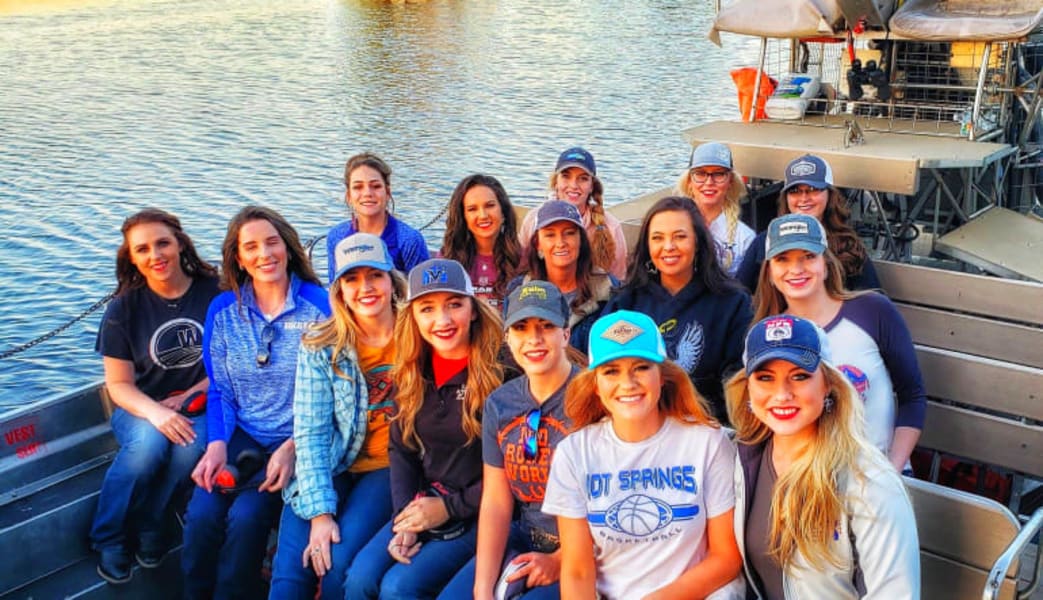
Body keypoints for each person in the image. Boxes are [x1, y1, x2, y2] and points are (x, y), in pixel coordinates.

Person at [543, 310, 743, 599]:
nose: (628, 383)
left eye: (641, 367)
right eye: (611, 371)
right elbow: (577, 570)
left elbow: (726, 558)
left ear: (662, 375)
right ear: (595, 384)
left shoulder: (706, 442)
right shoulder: (574, 453)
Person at [182, 206, 330, 600]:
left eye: (272, 242)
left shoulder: (321, 306)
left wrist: (294, 448)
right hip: (241, 435)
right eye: (251, 247)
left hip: (299, 439)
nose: (264, 254)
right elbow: (220, 390)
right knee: (200, 516)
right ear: (238, 258)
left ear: (287, 247)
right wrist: (216, 444)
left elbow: (336, 393)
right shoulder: (223, 311)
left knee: (247, 520)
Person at [725, 315, 920, 598]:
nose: (782, 395)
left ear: (828, 384)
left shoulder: (869, 479)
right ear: (747, 388)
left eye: (800, 376)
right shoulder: (740, 457)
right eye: (765, 378)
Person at [345, 258, 504, 599]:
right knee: (358, 580)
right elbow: (401, 450)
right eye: (427, 309)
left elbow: (512, 476)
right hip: (426, 499)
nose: (442, 321)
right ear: (413, 317)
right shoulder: (412, 370)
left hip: (480, 511)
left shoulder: (501, 375)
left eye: (454, 305)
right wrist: (407, 518)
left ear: (474, 310)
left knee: (398, 588)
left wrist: (448, 509)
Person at [269, 234, 405, 599]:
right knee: (289, 575)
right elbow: (311, 432)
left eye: (374, 275)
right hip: (334, 458)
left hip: (387, 465)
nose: (365, 288)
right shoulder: (320, 345)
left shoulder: (418, 331)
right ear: (339, 290)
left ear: (391, 279)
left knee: (333, 562)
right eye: (352, 279)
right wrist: (319, 514)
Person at [90, 209, 220, 584]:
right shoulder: (123, 308)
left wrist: (186, 399)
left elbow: (231, 362)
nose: (155, 255)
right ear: (131, 257)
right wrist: (158, 414)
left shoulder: (215, 292)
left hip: (203, 403)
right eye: (142, 249)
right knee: (148, 446)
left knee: (190, 449)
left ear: (180, 243)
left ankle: (152, 525)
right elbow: (118, 386)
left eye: (162, 243)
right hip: (140, 408)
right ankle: (109, 536)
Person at [751, 214, 925, 471]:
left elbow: (913, 395)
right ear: (770, 271)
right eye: (782, 259)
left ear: (826, 263)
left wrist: (893, 469)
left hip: (879, 472)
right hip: (811, 481)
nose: (796, 269)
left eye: (808, 257)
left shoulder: (872, 310)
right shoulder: (768, 333)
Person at [440, 281, 578, 600]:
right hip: (526, 535)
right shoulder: (501, 404)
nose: (534, 339)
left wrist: (560, 559)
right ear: (507, 338)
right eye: (521, 327)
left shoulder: (592, 398)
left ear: (566, 334)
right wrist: (482, 588)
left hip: (583, 549)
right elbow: (497, 502)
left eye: (546, 326)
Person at [599, 196, 752, 422]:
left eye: (679, 237)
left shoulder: (732, 303)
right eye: (658, 238)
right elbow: (604, 370)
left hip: (704, 426)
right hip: (636, 423)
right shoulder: (625, 303)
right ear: (647, 245)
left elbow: (736, 382)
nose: (668, 247)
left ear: (698, 242)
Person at [735, 153, 880, 293]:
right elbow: (739, 295)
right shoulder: (764, 242)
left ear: (830, 195)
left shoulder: (848, 245)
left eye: (812, 189)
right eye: (795, 191)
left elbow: (874, 304)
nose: (803, 198)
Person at [509, 200, 615, 352]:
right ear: (538, 243)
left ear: (581, 239)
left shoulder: (609, 290)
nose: (560, 243)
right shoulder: (518, 289)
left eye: (569, 233)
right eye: (550, 235)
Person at [518, 147, 627, 280]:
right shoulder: (533, 219)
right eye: (566, 176)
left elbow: (619, 278)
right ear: (555, 182)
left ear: (592, 186)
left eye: (583, 178)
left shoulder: (611, 227)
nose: (574, 185)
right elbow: (522, 268)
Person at [326, 152, 429, 282]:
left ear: (387, 192)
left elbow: (422, 294)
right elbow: (334, 289)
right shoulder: (336, 237)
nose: (367, 193)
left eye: (376, 186)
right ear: (348, 196)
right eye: (358, 187)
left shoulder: (409, 240)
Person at [438, 174, 522, 309]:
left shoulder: (522, 258)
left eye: (490, 206)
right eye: (472, 209)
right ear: (463, 216)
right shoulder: (447, 258)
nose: (483, 215)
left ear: (503, 211)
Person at [676, 142, 756, 277]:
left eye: (718, 174)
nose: (709, 182)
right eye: (700, 174)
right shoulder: (672, 225)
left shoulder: (745, 238)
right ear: (689, 181)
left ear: (730, 181)